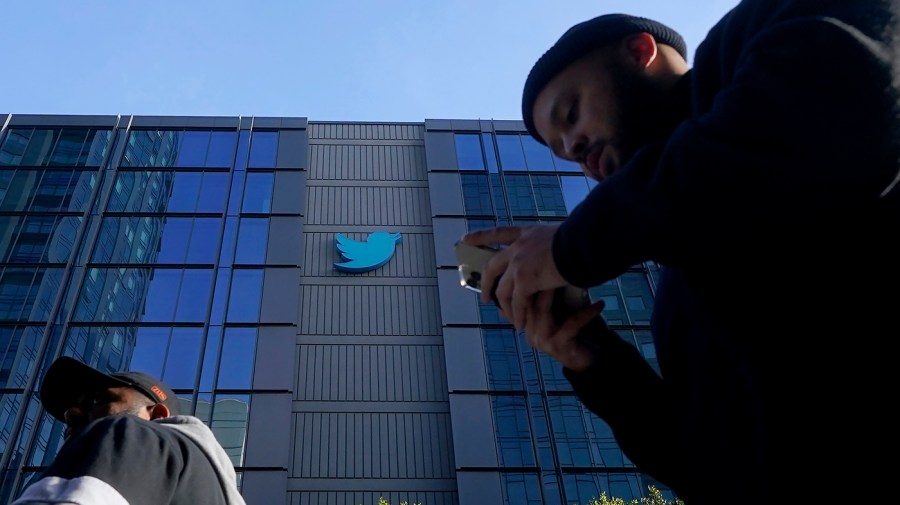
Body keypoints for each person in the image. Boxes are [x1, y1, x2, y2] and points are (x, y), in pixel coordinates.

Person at [464, 3, 899, 504]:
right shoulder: (677, 301)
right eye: (562, 149)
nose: (575, 146)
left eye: (571, 113)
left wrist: (571, 246)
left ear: (640, 50)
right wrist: (597, 361)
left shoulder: (757, 35)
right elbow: (712, 471)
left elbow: (848, 102)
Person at [12, 356, 246, 505]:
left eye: (97, 401)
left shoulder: (129, 432)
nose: (70, 414)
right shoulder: (206, 486)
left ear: (156, 415)